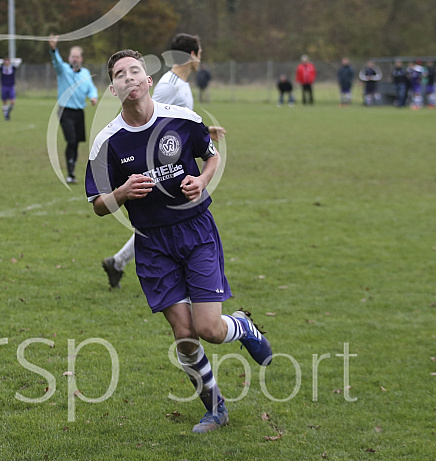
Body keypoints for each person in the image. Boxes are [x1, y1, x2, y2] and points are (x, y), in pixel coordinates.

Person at [86, 49, 272, 434]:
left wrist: (201, 181)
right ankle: (215, 407)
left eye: (136, 70)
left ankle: (243, 327)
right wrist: (120, 193)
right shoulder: (107, 142)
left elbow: (212, 156)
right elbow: (97, 205)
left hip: (195, 232)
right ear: (113, 89)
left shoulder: (182, 120)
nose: (130, 78)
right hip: (151, 244)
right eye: (120, 74)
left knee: (209, 329)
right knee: (183, 334)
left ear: (148, 80)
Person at [101, 33, 226, 290]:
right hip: (155, 166)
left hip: (172, 167)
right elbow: (151, 124)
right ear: (192, 55)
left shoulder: (182, 83)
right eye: (199, 53)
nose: (200, 59)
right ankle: (120, 261)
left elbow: (176, 124)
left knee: (164, 222)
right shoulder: (169, 84)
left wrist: (204, 132)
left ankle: (119, 261)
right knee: (158, 222)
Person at [48, 35, 98, 184]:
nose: (74, 59)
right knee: (71, 140)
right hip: (65, 111)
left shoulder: (85, 73)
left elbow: (91, 88)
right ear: (69, 58)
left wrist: (93, 96)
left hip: (78, 112)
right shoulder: (63, 70)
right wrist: (53, 49)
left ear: (81, 59)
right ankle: (70, 173)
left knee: (76, 142)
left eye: (77, 57)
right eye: (72, 56)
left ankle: (72, 170)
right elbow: (56, 61)